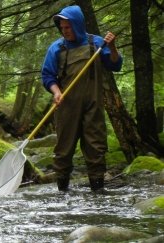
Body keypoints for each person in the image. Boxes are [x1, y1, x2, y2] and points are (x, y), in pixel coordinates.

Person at [41, 5, 122, 192]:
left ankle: (98, 190)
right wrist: (56, 92)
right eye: (61, 27)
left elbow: (115, 65)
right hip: (66, 105)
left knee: (96, 147)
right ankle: (62, 192)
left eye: (67, 27)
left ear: (77, 25)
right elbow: (47, 76)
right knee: (63, 150)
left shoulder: (97, 43)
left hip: (93, 105)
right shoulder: (56, 48)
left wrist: (112, 47)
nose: (64, 31)